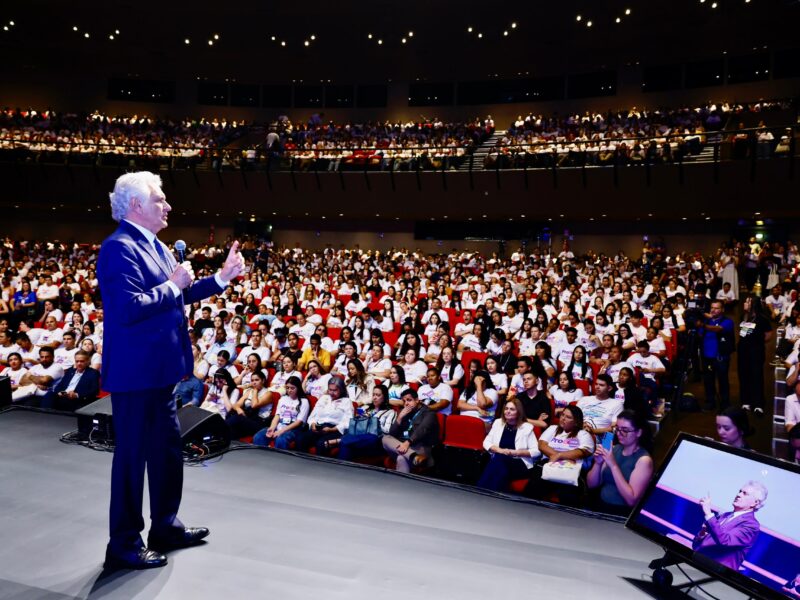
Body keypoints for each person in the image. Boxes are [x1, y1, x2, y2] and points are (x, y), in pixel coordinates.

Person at [97, 171, 245, 570]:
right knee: (132, 458)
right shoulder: (118, 249)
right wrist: (174, 285)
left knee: (166, 451)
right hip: (136, 372)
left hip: (162, 370)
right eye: (160, 200)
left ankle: (164, 526)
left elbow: (179, 295)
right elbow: (129, 308)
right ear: (136, 206)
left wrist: (220, 278)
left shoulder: (156, 246)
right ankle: (124, 543)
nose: (168, 206)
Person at [587, 409, 654, 516]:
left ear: (639, 432)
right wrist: (598, 463)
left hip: (621, 513)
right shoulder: (614, 449)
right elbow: (591, 484)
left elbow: (631, 500)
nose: (620, 433)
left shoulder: (644, 461)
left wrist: (613, 465)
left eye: (625, 430)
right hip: (601, 506)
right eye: (617, 429)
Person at [692, 481, 767, 571]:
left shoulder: (751, 525)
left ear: (755, 503)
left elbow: (725, 540)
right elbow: (697, 546)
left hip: (716, 573)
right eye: (739, 491)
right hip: (697, 563)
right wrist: (702, 534)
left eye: (745, 493)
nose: (738, 495)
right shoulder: (725, 515)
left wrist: (708, 512)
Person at [528, 404, 595, 505]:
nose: (563, 418)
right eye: (563, 415)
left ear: (576, 422)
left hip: (571, 467)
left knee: (568, 494)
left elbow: (583, 451)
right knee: (534, 484)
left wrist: (559, 456)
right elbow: (541, 445)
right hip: (549, 464)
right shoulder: (552, 428)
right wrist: (557, 456)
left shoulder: (583, 434)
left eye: (568, 417)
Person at [476, 398, 541, 492]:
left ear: (519, 412)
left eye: (512, 409)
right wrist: (500, 450)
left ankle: (481, 490)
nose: (508, 411)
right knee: (499, 460)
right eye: (506, 409)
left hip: (519, 463)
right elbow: (486, 442)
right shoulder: (498, 423)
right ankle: (496, 492)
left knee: (499, 460)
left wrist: (516, 452)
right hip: (499, 460)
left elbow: (536, 451)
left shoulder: (526, 427)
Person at [381, 388, 439, 472]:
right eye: (404, 401)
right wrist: (399, 418)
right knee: (386, 438)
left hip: (420, 447)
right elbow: (392, 434)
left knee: (401, 458)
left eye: (409, 400)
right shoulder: (404, 413)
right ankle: (413, 457)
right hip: (404, 447)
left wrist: (408, 442)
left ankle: (401, 482)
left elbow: (422, 429)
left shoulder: (429, 413)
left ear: (417, 400)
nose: (406, 403)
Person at [337, 385, 397, 462]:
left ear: (384, 397)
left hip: (376, 440)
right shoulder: (366, 409)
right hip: (360, 437)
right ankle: (342, 468)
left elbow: (387, 431)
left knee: (371, 438)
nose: (374, 397)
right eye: (373, 395)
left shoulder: (390, 412)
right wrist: (359, 419)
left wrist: (374, 422)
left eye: (378, 395)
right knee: (346, 444)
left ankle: (340, 440)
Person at [737, 295, 772, 414]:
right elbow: (742, 333)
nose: (744, 303)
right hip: (743, 351)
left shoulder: (762, 319)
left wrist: (756, 341)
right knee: (743, 375)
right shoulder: (744, 316)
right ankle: (745, 402)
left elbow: (768, 336)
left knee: (756, 376)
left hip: (756, 351)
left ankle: (758, 404)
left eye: (747, 302)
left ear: (753, 304)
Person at [253, 375, 309, 449]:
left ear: (298, 388)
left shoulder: (304, 401)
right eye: (287, 388)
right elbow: (277, 415)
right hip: (279, 425)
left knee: (281, 440)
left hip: (292, 429)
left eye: (292, 388)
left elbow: (298, 422)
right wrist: (272, 428)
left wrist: (281, 431)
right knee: (258, 437)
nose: (289, 390)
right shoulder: (283, 399)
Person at [698, 300, 735, 411]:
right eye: (712, 308)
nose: (713, 310)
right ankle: (710, 402)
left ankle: (725, 403)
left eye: (717, 308)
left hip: (721, 357)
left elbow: (718, 329)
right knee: (708, 380)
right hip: (706, 357)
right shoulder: (706, 320)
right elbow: (699, 333)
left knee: (723, 380)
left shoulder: (727, 321)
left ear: (722, 310)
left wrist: (703, 325)